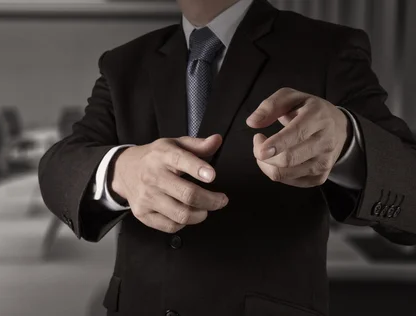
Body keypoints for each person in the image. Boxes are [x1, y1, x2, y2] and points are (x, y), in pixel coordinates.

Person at [38, 0, 416, 315]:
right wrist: (123, 171)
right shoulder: (124, 63)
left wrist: (348, 141)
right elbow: (60, 166)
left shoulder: (327, 49)